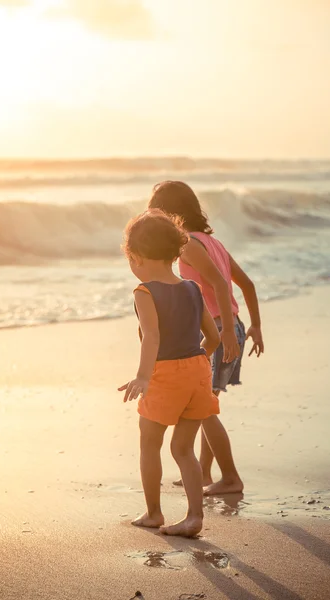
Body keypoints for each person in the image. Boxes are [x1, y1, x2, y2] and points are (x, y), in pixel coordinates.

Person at [149, 181, 264, 495]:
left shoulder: (187, 244)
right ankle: (203, 473)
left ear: (171, 213)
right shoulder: (212, 242)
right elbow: (248, 285)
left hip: (219, 330)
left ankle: (230, 478)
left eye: (157, 211)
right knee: (206, 402)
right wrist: (253, 326)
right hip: (232, 327)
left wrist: (226, 330)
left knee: (200, 408)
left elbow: (220, 285)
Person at [118, 209, 221, 537]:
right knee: (183, 448)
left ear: (138, 258)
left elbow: (152, 336)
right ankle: (194, 517)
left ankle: (153, 513)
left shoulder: (144, 292)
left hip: (164, 376)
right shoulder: (192, 288)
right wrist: (195, 362)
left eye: (131, 260)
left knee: (150, 444)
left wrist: (144, 376)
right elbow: (214, 337)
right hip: (198, 371)